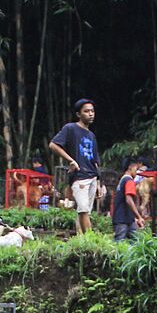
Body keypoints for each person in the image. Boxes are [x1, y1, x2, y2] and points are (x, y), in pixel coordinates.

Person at [49, 98, 100, 236]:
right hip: (79, 176)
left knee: (84, 212)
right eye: (86, 111)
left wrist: (99, 182)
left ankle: (81, 241)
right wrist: (71, 160)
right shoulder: (70, 128)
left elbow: (96, 160)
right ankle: (92, 241)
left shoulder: (92, 135)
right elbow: (53, 145)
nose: (90, 114)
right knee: (83, 209)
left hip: (92, 177)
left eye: (92, 111)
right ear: (79, 114)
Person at [114, 158, 148, 242]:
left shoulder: (122, 180)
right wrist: (139, 217)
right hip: (123, 220)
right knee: (120, 244)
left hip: (126, 219)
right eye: (136, 169)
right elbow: (129, 199)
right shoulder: (129, 181)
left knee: (136, 242)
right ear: (130, 167)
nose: (136, 172)